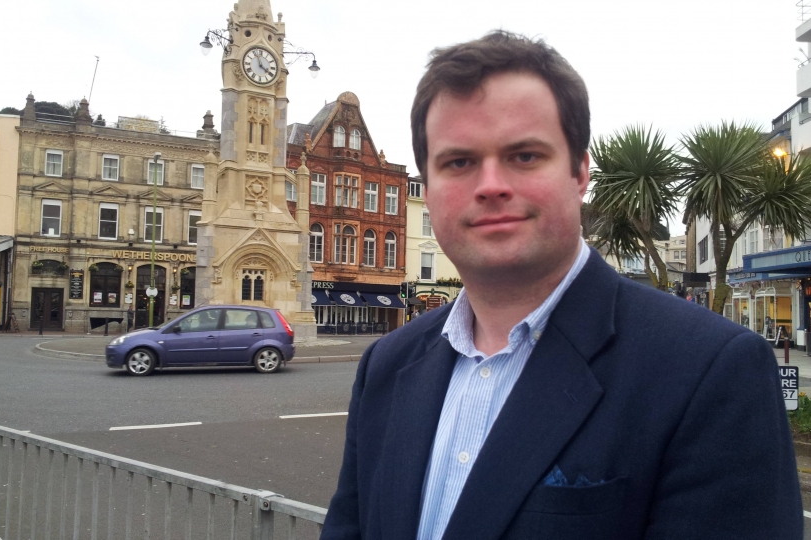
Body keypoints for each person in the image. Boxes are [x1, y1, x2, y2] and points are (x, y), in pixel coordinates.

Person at [320, 31, 801, 540]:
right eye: (458, 162)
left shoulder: (712, 372)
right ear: (429, 184)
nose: (490, 185)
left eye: (524, 156)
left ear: (579, 173)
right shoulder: (386, 366)